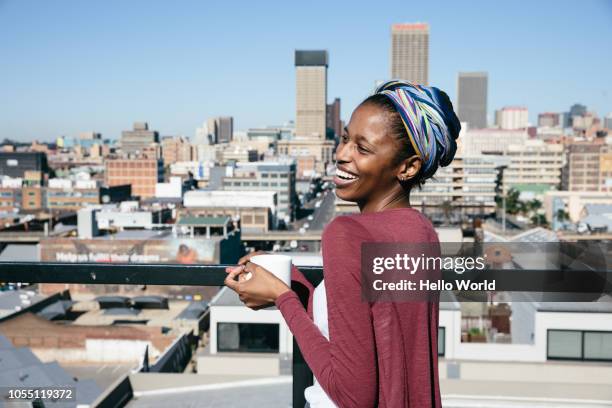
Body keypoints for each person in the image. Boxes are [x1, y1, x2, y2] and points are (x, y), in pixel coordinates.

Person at [225, 80, 461, 407]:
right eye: (346, 138)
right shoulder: (422, 232)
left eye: (362, 149)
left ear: (407, 167)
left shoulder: (347, 234)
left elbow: (352, 394)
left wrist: (282, 299)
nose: (341, 154)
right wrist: (292, 283)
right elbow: (373, 331)